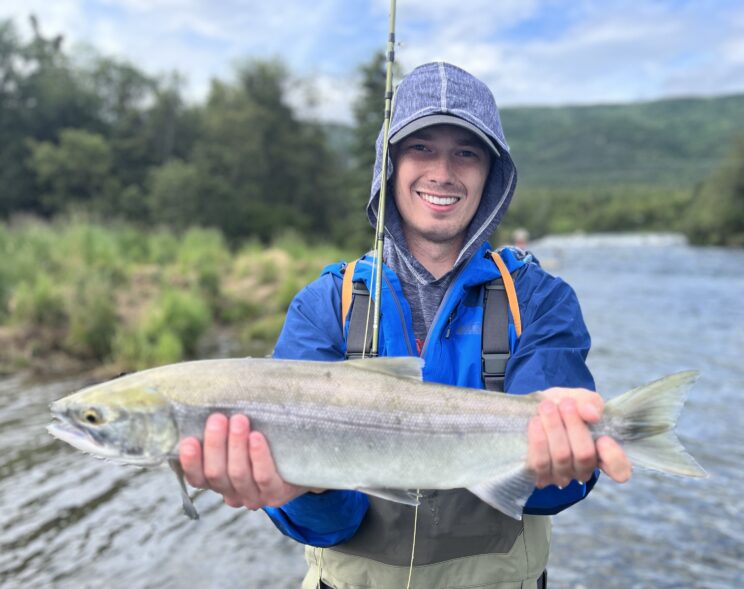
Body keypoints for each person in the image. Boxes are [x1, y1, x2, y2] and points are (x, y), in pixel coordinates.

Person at [179, 62, 631, 588]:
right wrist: (307, 489)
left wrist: (566, 463)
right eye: (421, 148)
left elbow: (554, 495)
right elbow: (331, 527)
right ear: (388, 166)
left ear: (492, 174)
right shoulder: (324, 306)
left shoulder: (539, 299)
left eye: (466, 152)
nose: (442, 171)